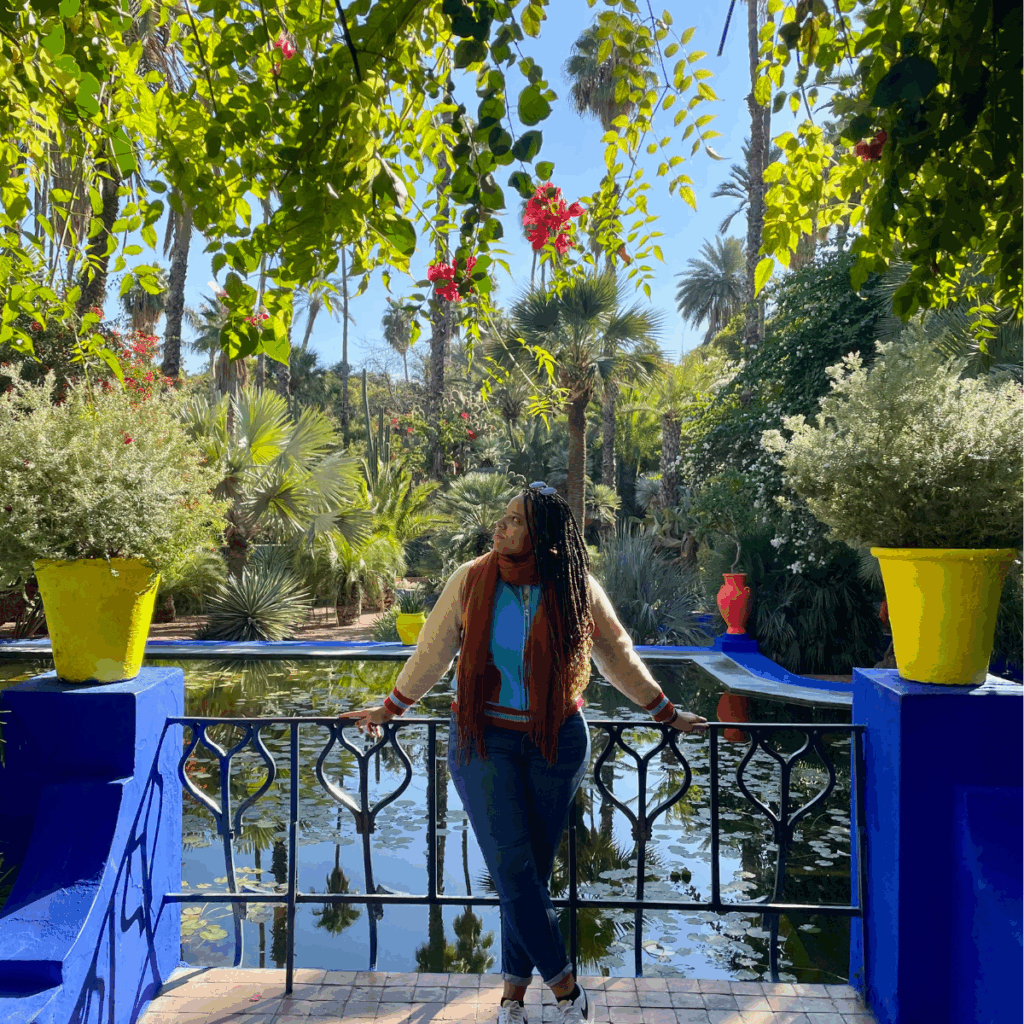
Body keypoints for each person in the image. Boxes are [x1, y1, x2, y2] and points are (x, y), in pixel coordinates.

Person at [340, 482, 708, 1024]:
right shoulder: (471, 580)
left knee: (528, 872)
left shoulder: (576, 587)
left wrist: (665, 711)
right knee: (512, 865)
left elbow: (618, 656)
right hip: (481, 740)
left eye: (515, 521)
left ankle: (512, 999)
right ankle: (566, 991)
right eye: (504, 517)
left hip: (555, 742)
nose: (502, 526)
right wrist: (389, 708)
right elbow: (433, 651)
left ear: (543, 536)